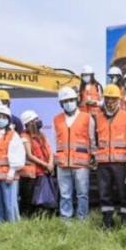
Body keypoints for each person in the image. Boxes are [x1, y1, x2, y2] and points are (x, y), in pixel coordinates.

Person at [93, 84, 126, 228]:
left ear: (119, 100)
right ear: (104, 100)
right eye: (108, 99)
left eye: (113, 99)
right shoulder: (97, 118)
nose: (110, 102)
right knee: (104, 194)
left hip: (121, 163)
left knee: (124, 193)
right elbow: (94, 140)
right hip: (103, 163)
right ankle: (107, 222)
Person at [52, 87, 94, 220]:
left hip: (81, 163)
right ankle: (66, 219)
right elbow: (54, 141)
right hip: (62, 163)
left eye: (71, 100)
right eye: (65, 101)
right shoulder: (56, 119)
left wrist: (93, 157)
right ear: (61, 103)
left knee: (82, 194)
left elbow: (92, 139)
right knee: (65, 194)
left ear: (76, 100)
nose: (68, 103)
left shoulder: (87, 118)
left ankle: (82, 218)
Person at [0, 104, 25, 222]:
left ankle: (12, 224)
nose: (0, 120)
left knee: (10, 202)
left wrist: (12, 172)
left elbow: (18, 155)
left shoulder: (13, 135)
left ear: (8, 120)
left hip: (8, 175)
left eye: (3, 117)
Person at [19, 109, 54, 217]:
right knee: (30, 200)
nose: (38, 121)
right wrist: (46, 165)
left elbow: (49, 150)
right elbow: (29, 155)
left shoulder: (42, 135)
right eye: (35, 120)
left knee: (43, 199)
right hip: (32, 174)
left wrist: (51, 163)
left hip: (44, 172)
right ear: (29, 123)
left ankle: (43, 218)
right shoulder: (24, 136)